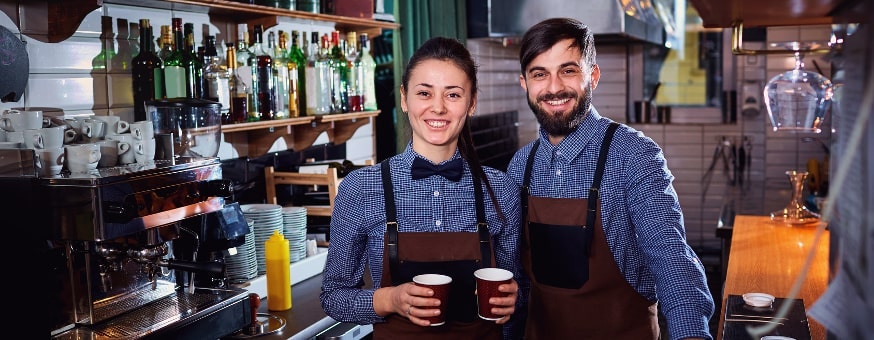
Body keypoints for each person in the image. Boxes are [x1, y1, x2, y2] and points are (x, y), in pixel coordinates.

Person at [506, 18, 715, 340]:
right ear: (525, 83)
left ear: (593, 75)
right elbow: (516, 279)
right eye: (539, 74)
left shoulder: (634, 155)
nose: (553, 87)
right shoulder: (521, 165)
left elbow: (671, 258)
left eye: (568, 70)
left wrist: (691, 335)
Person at [320, 36, 523, 340]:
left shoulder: (501, 190)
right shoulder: (361, 189)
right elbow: (333, 297)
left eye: (453, 95)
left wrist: (515, 300)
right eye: (424, 93)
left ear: (472, 102)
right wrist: (391, 300)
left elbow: (520, 289)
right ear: (404, 98)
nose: (438, 108)